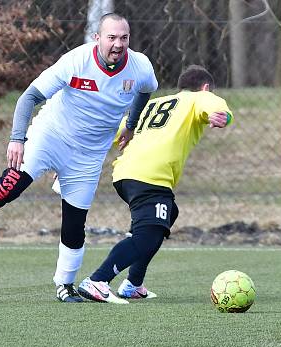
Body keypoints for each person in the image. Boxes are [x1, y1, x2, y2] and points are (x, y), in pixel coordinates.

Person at [0, 13, 158, 303]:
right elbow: (28, 97)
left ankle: (65, 285)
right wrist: (16, 138)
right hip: (51, 137)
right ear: (97, 38)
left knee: (75, 223)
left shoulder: (140, 67)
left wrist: (131, 124)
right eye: (111, 37)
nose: (118, 44)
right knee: (10, 185)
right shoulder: (76, 61)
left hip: (88, 155)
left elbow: (147, 90)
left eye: (124, 38)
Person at [75, 65, 233, 304]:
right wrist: (223, 115)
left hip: (126, 173)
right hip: (148, 176)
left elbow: (115, 132)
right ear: (206, 87)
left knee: (167, 214)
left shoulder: (153, 104)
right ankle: (98, 280)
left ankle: (134, 284)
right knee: (147, 236)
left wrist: (76, 156)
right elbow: (216, 107)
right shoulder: (199, 97)